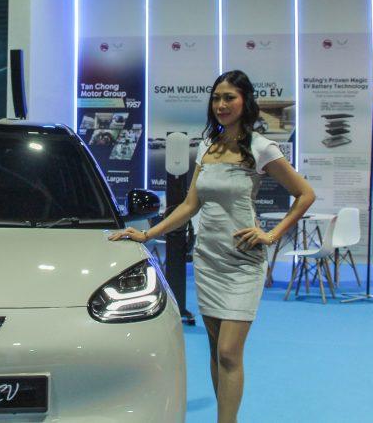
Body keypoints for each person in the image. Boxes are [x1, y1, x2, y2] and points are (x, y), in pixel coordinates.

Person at [109, 70, 315, 423]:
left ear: (245, 101)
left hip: (243, 262)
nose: (221, 104)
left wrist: (271, 235)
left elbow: (305, 194)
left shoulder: (261, 147)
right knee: (216, 349)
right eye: (217, 97)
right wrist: (147, 234)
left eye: (229, 97)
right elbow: (190, 205)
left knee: (230, 352)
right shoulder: (207, 146)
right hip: (208, 259)